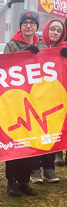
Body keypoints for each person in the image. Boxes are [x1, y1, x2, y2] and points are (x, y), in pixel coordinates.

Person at [4, 9, 46, 197]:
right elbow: (4, 68)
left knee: (32, 143)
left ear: (37, 26)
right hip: (16, 101)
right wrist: (25, 56)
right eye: (25, 23)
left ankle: (24, 180)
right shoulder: (12, 45)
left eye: (32, 23)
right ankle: (11, 181)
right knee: (15, 143)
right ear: (20, 26)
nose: (28, 26)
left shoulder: (44, 45)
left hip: (37, 101)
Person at [39, 19, 67, 169]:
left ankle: (49, 168)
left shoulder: (64, 48)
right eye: (52, 29)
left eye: (58, 31)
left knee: (56, 132)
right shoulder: (37, 45)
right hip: (41, 96)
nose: (55, 32)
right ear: (46, 30)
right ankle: (35, 169)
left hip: (59, 97)